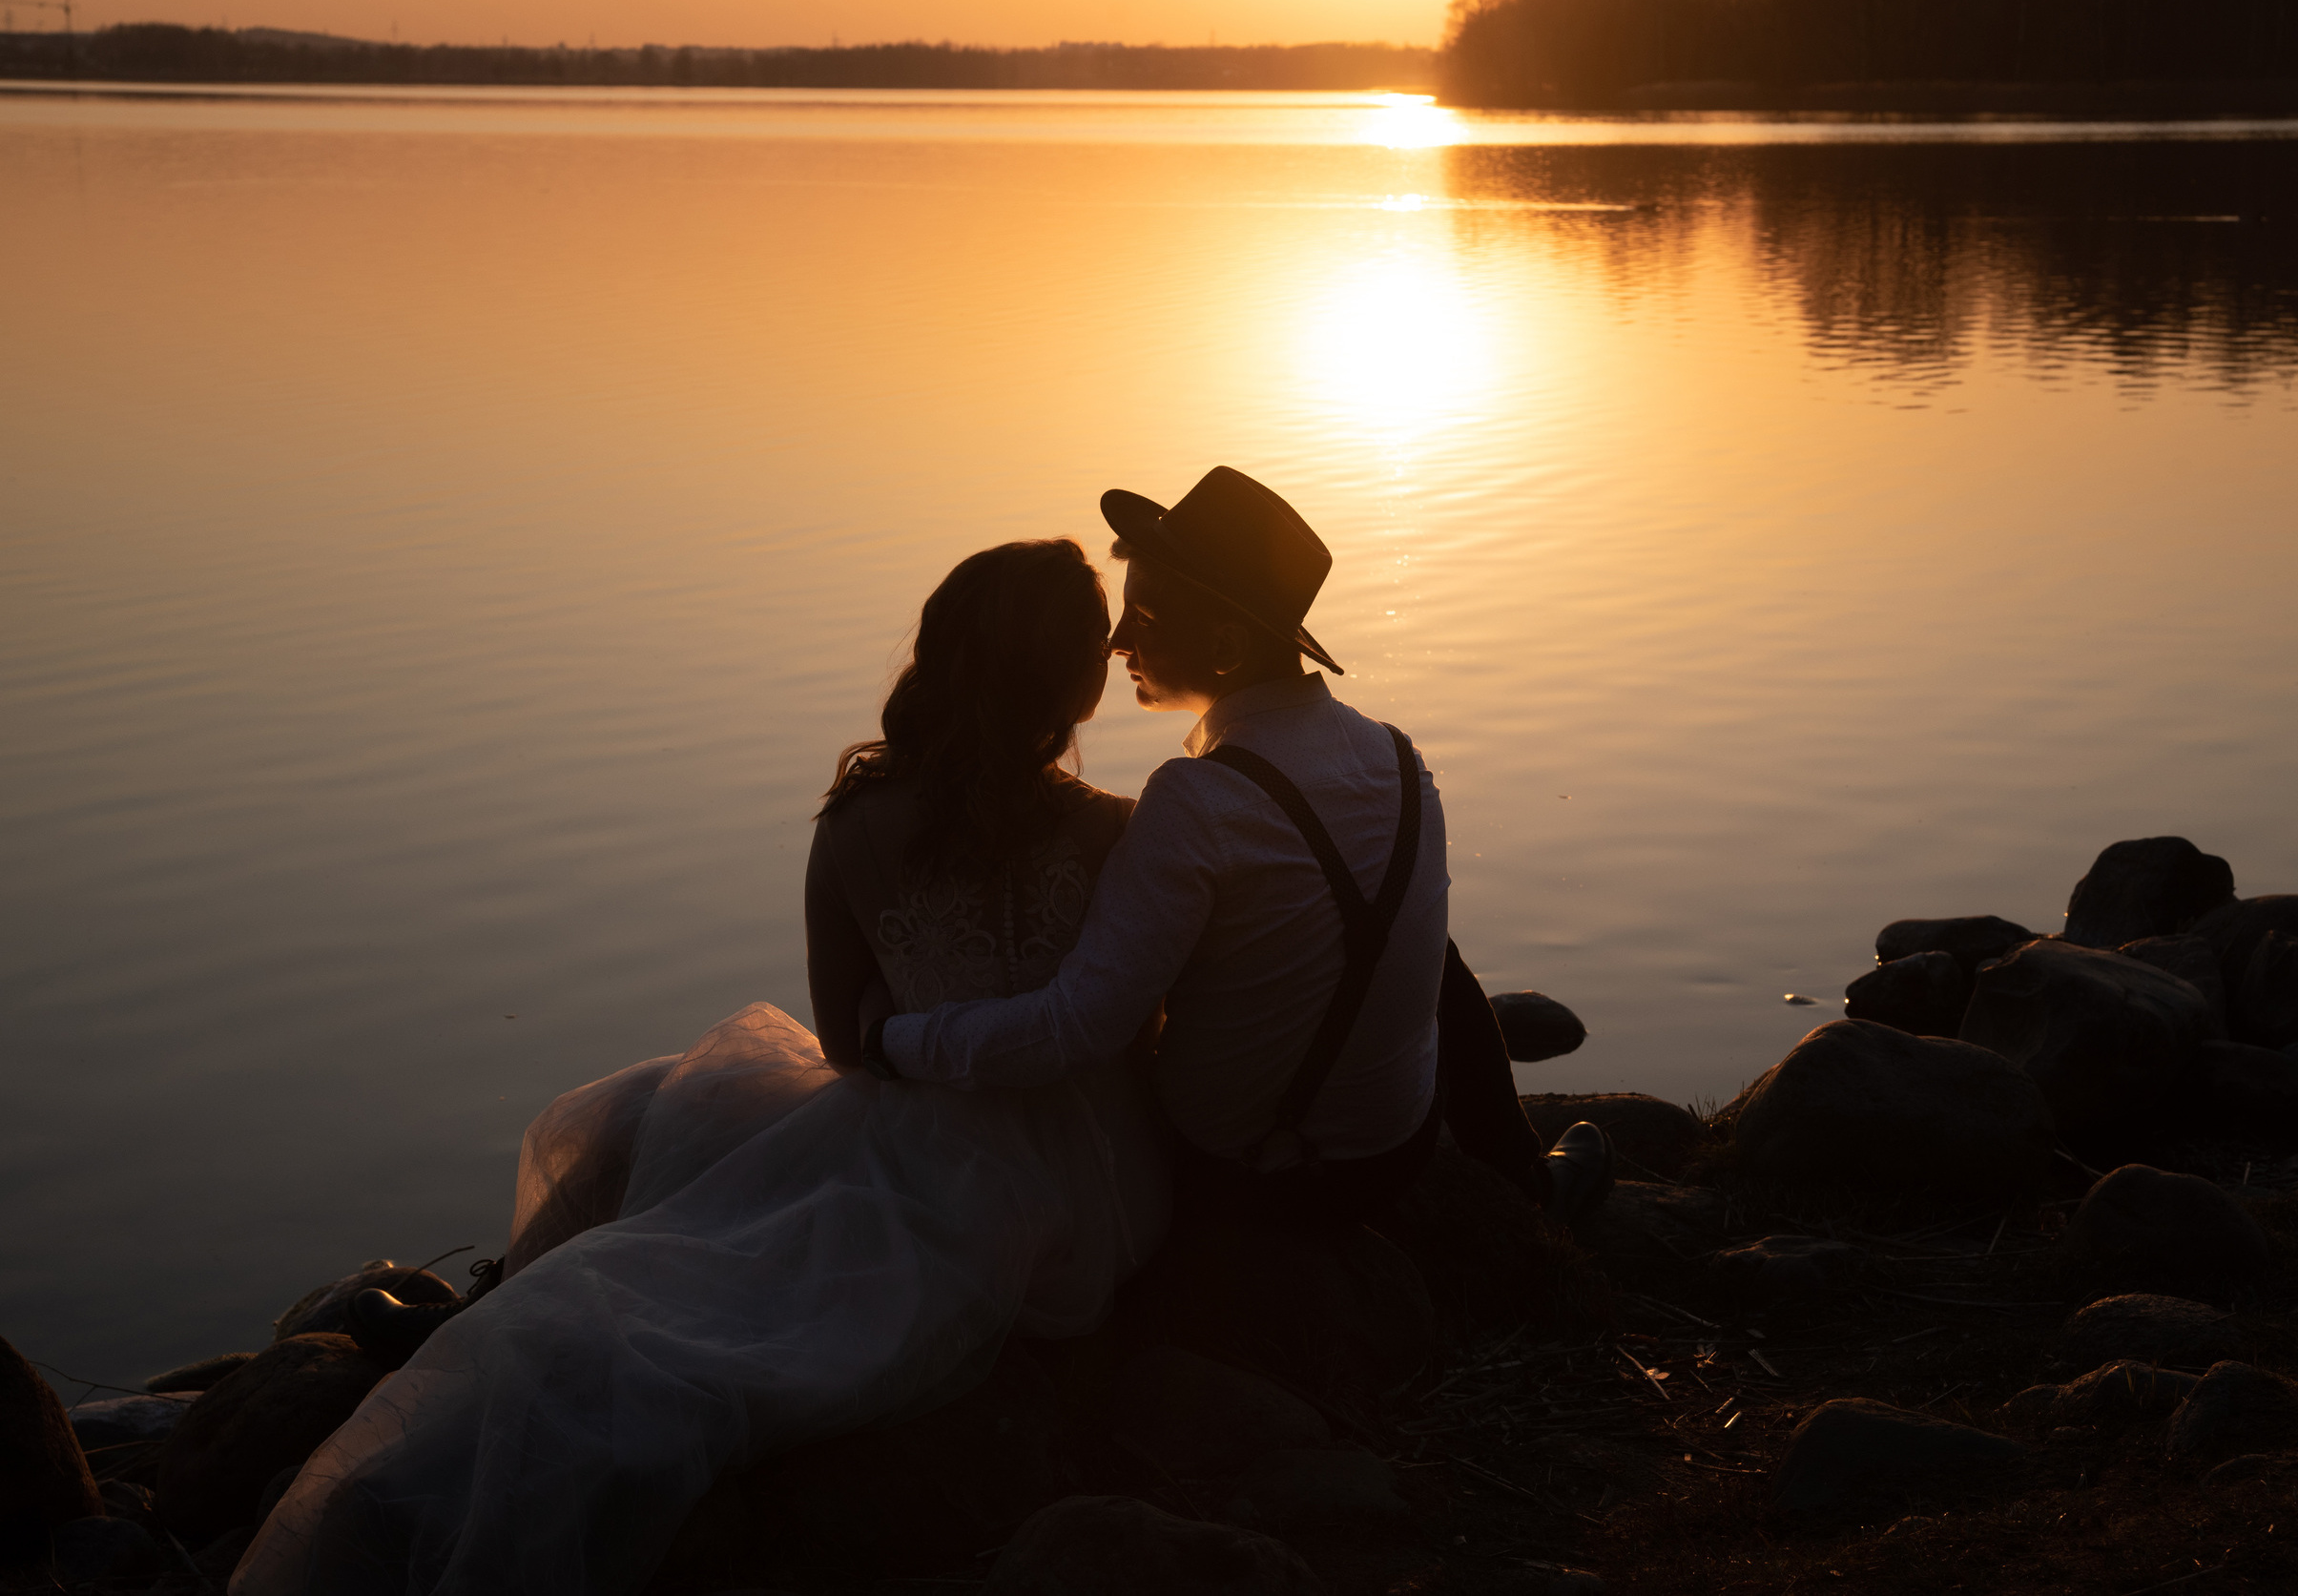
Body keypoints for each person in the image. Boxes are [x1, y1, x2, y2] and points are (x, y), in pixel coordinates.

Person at [235, 538, 1170, 1596]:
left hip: (940, 1139)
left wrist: (911, 1018)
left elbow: (845, 1042)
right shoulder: (1116, 831)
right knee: (665, 1121)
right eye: (1097, 642)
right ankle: (482, 1320)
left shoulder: (857, 823)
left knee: (661, 1136)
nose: (1115, 651)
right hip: (1092, 1180)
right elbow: (1132, 1029)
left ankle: (482, 1318)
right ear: (1066, 681)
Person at [863, 466, 1614, 1233]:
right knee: (1400, 921)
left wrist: (895, 1040)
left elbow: (1077, 1028)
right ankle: (1525, 1175)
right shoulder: (1397, 756)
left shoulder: (1194, 802)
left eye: (1145, 615)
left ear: (1224, 644)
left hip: (1239, 1176)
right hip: (1396, 1155)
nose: (1117, 639)